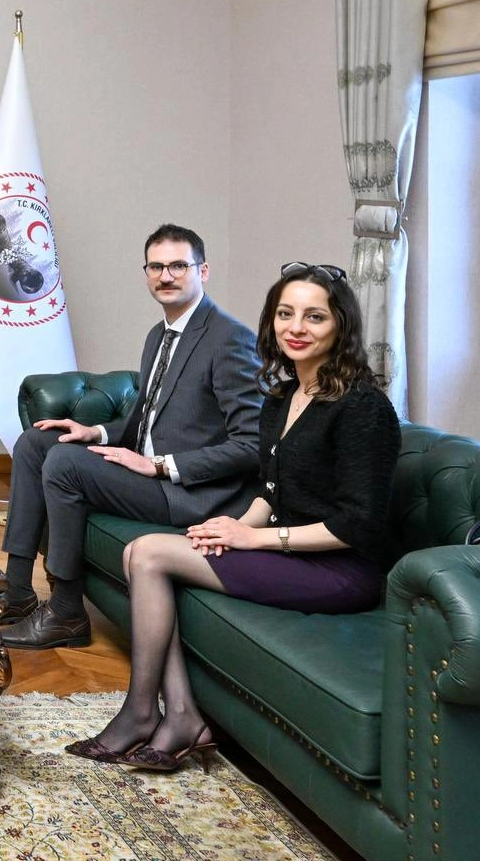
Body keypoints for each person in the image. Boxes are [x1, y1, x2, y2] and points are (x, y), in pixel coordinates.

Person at [65, 262, 400, 771]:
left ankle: (142, 712)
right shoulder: (282, 396)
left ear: (341, 326)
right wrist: (238, 526)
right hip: (288, 551)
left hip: (340, 570)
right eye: (285, 314)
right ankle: (180, 715)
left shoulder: (363, 407)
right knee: (139, 554)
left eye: (314, 317)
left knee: (149, 553)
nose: (296, 327)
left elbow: (356, 526)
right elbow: (271, 489)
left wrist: (253, 540)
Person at [0, 224, 263, 650]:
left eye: (178, 266)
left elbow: (251, 445)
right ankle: (15, 594)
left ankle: (66, 612)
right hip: (147, 475)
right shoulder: (160, 334)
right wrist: (96, 431)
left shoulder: (229, 339)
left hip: (191, 493)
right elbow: (147, 417)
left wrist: (159, 465)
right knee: (36, 442)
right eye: (156, 267)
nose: (166, 276)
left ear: (203, 271)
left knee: (65, 463)